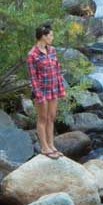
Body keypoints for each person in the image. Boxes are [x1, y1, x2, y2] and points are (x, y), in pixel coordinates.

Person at [27, 22, 67, 159]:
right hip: (41, 92)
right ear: (43, 36)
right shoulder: (32, 54)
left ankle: (51, 145)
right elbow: (33, 78)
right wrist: (39, 96)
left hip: (53, 89)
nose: (52, 37)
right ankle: (44, 147)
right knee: (42, 118)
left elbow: (57, 71)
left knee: (51, 118)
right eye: (51, 35)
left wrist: (61, 89)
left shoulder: (52, 50)